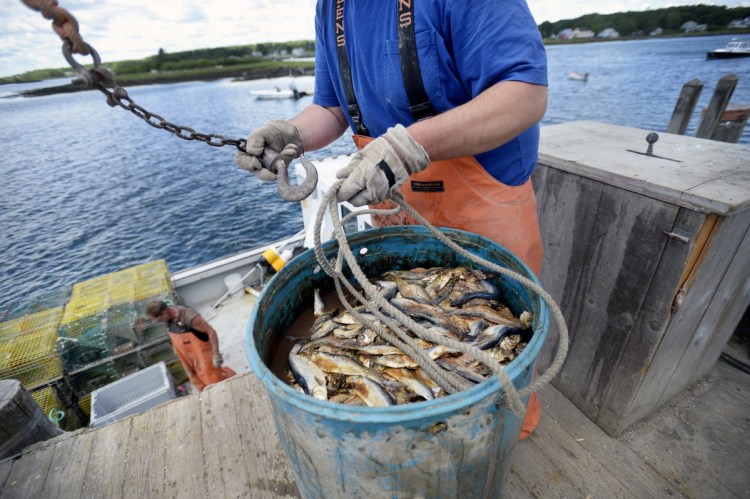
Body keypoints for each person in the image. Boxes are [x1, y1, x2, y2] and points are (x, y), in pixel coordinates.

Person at [235, 0, 547, 439]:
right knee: (404, 334)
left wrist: (408, 145)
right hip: (393, 199)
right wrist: (293, 134)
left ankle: (505, 439)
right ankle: (431, 442)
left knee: (500, 346)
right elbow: (331, 108)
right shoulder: (333, 7)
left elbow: (524, 94)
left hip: (482, 201)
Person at [146, 300, 236, 392]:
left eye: (158, 320)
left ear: (164, 312)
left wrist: (216, 355)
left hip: (204, 358)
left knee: (216, 382)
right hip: (187, 359)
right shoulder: (167, 321)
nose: (159, 322)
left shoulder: (189, 317)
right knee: (199, 384)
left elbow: (211, 332)